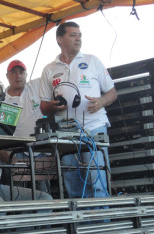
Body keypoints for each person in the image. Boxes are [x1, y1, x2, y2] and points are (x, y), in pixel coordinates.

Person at [39, 21, 117, 199]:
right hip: (66, 132)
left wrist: (101, 101)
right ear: (59, 39)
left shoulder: (93, 61)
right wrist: (53, 106)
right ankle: (81, 225)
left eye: (80, 35)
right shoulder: (49, 69)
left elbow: (112, 92)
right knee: (73, 184)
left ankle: (102, 225)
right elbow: (43, 106)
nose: (78, 39)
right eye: (73, 35)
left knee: (98, 182)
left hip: (94, 127)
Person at [4, 60, 50, 193]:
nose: (18, 75)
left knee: (42, 192)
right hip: (16, 152)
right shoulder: (2, 99)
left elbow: (52, 75)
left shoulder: (35, 85)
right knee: (18, 192)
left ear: (26, 74)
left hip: (40, 150)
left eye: (21, 72)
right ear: (7, 76)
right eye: (14, 72)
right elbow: (4, 131)